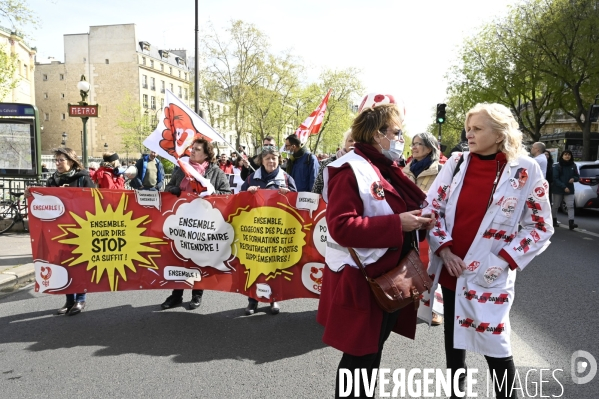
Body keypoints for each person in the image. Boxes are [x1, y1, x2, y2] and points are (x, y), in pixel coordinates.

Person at [424, 103, 554, 399]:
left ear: (499, 134)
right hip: (452, 271)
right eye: (468, 128)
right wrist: (444, 250)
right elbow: (431, 210)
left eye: (478, 128)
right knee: (454, 350)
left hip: (491, 278)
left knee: (497, 350)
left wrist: (504, 260)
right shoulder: (456, 163)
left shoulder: (526, 169)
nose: (469, 134)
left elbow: (540, 226)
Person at [316, 93, 434, 398]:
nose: (400, 138)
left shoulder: (386, 167)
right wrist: (399, 224)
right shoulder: (349, 168)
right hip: (364, 279)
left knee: (372, 352)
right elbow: (341, 226)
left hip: (389, 277)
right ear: (377, 133)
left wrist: (417, 219)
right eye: (396, 132)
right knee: (359, 356)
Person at [161, 138, 231, 310]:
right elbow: (168, 187)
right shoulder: (182, 168)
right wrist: (174, 190)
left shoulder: (215, 172)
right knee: (179, 258)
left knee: (198, 259)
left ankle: (197, 294)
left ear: (206, 154)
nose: (192, 151)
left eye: (197, 149)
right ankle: (176, 295)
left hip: (203, 223)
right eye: (192, 149)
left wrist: (210, 194)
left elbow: (226, 193)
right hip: (181, 221)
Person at [25, 147, 96, 316]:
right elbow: (44, 201)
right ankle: (69, 300)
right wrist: (31, 194)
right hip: (58, 230)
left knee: (78, 264)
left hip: (79, 229)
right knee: (62, 264)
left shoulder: (83, 179)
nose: (57, 163)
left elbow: (95, 201)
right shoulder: (53, 180)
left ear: (71, 161)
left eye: (61, 160)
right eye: (55, 160)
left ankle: (80, 299)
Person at [240, 145, 297, 315]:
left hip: (276, 231)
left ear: (279, 159)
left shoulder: (286, 178)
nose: (271, 161)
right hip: (256, 231)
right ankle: (253, 300)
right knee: (254, 266)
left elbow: (297, 201)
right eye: (267, 158)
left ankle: (274, 299)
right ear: (261, 161)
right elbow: (239, 199)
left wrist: (289, 194)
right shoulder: (252, 178)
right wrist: (247, 192)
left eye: (274, 158)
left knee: (275, 266)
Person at [403, 132, 444, 326]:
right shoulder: (405, 169)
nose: (414, 147)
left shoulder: (441, 170)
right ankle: (411, 300)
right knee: (411, 262)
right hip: (411, 223)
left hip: (432, 225)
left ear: (429, 148)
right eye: (413, 143)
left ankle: (435, 309)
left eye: (418, 144)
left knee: (432, 266)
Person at [312, 129, 354, 195]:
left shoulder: (365, 164)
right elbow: (316, 190)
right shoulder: (328, 163)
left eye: (358, 141)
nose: (353, 143)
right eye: (350, 141)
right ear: (345, 143)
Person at [551, 149, 580, 230]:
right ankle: (554, 220)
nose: (567, 156)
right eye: (565, 154)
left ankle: (571, 223)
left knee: (570, 206)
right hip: (558, 189)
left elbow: (577, 176)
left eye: (569, 155)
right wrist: (564, 187)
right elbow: (555, 178)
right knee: (556, 205)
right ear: (562, 156)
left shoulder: (573, 165)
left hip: (569, 189)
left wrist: (574, 178)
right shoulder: (557, 166)